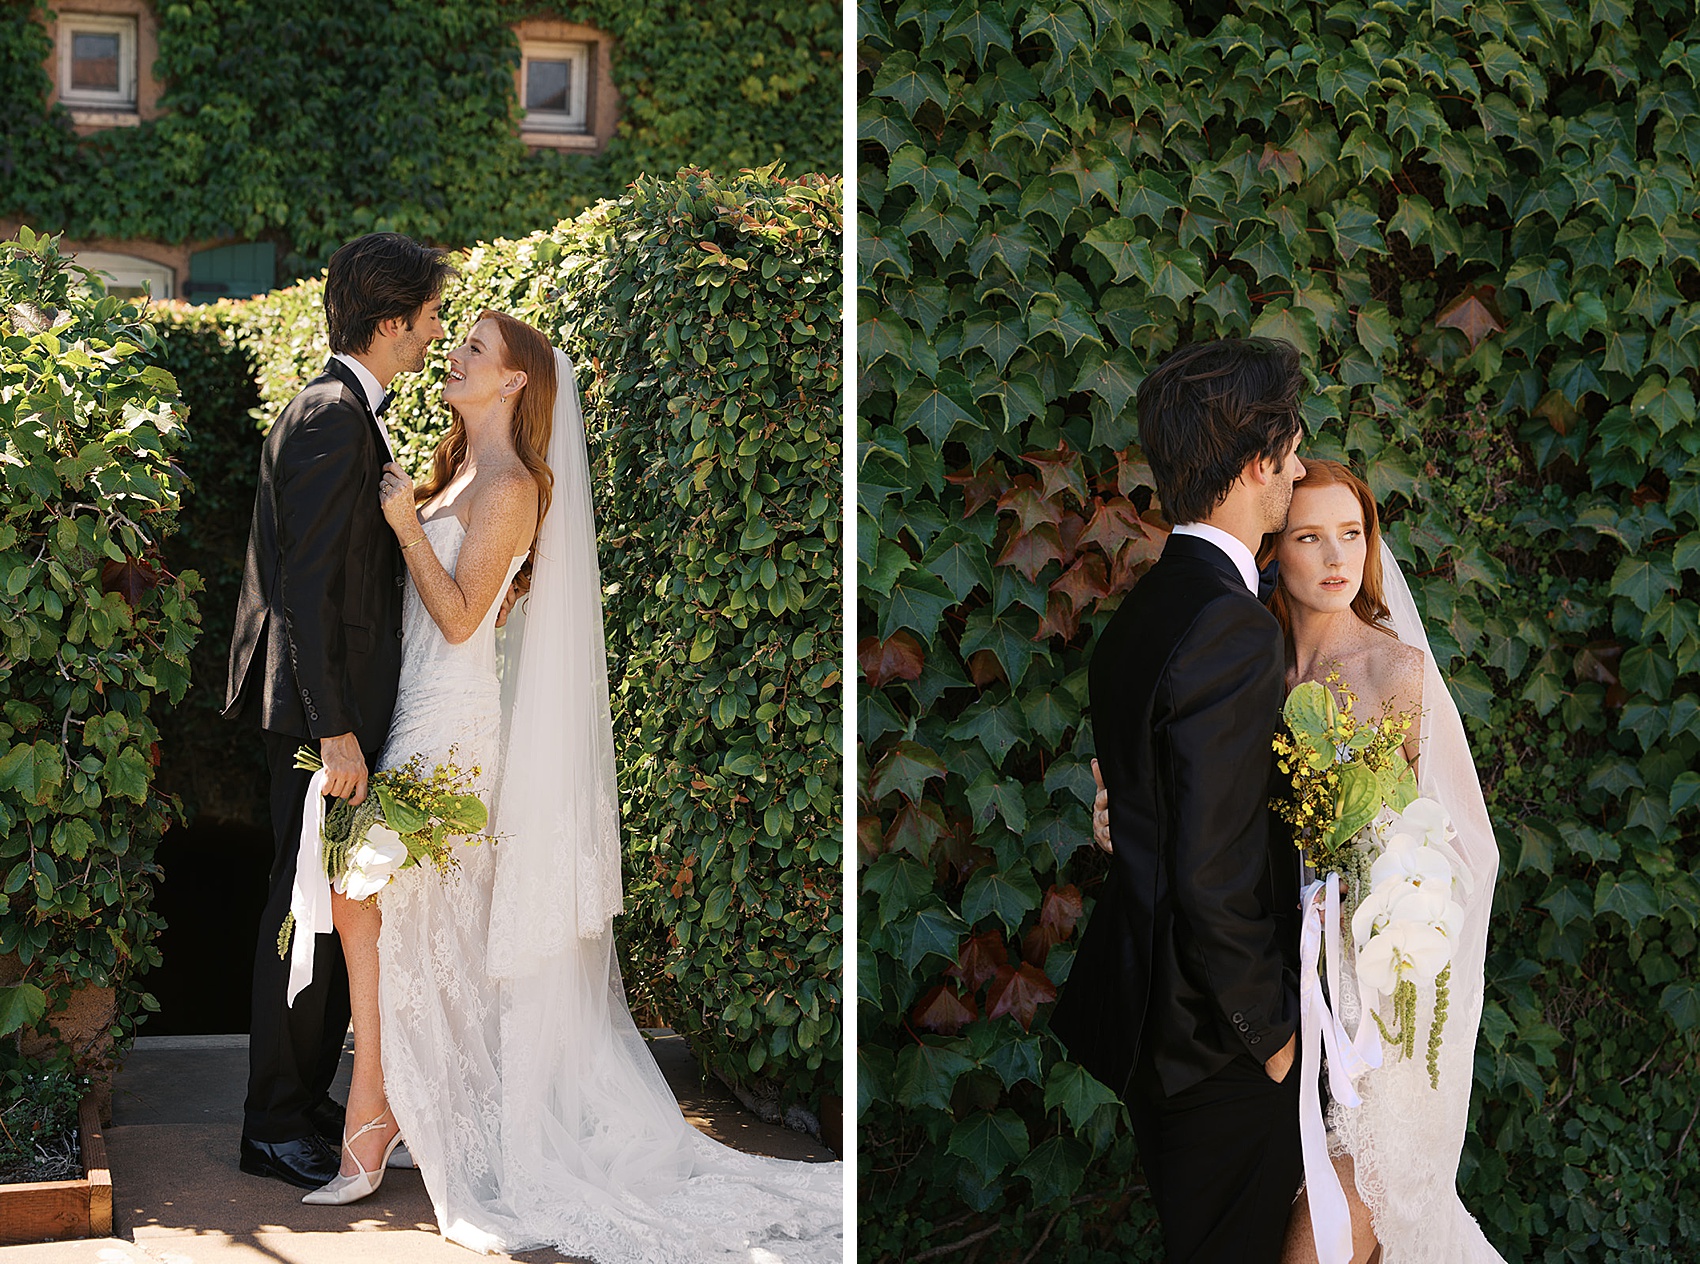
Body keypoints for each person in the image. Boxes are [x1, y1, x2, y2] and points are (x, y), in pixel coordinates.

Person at [303, 309, 843, 1263]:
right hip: (413, 712)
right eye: (458, 342)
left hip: (451, 729)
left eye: (475, 350)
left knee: (371, 902)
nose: (455, 356)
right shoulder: (459, 468)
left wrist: (402, 527)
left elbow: (466, 619)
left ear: (513, 384)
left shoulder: (509, 484)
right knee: (403, 923)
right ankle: (391, 1112)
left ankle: (377, 1115)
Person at [1088, 462, 1506, 1264]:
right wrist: (1119, 820)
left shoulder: (1399, 673)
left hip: (1367, 1003)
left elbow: (1459, 851)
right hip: (1261, 996)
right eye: (1309, 536)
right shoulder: (1244, 655)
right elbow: (1190, 812)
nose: (1334, 557)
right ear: (1275, 549)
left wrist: (1385, 905)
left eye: (1351, 534)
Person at [1049, 337, 1309, 1263]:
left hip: (1153, 1028)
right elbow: (1212, 873)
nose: (1302, 466)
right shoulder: (1232, 628)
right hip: (1217, 1045)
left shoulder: (1144, 613)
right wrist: (1276, 1038)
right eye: (1290, 447)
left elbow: (1151, 817)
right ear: (1254, 465)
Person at [224, 232, 453, 1190]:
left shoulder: (352, 409)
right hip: (319, 719)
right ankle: (272, 1121)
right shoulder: (331, 415)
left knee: (327, 906)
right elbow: (304, 588)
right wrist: (335, 728)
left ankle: (304, 1094)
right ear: (393, 321)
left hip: (333, 709)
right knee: (303, 913)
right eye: (431, 316)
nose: (437, 331)